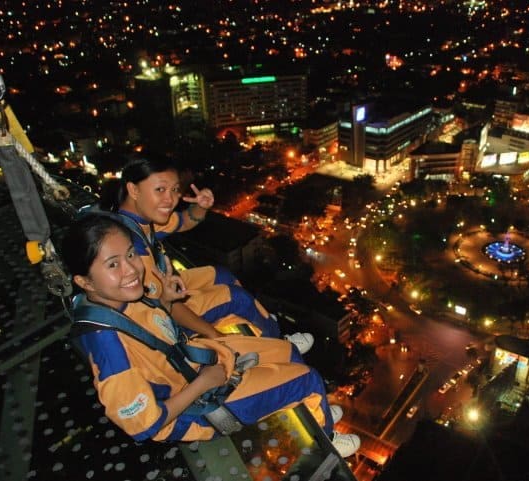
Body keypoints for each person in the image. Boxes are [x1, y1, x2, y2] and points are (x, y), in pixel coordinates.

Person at [62, 213, 359, 456]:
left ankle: (318, 408)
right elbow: (143, 426)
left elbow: (155, 333)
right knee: (307, 380)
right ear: (84, 281)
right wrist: (203, 384)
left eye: (130, 255)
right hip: (199, 406)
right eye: (113, 264)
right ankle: (326, 434)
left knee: (288, 353)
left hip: (197, 365)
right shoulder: (108, 348)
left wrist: (164, 300)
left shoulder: (117, 299)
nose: (131, 270)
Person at [99, 154, 313, 353]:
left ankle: (260, 319)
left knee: (222, 275)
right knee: (236, 298)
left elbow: (183, 221)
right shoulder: (132, 250)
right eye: (160, 190)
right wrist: (216, 336)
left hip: (163, 285)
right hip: (158, 323)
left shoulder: (136, 219)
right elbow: (167, 309)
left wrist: (201, 206)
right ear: (134, 190)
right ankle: (278, 344)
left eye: (174, 190)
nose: (171, 199)